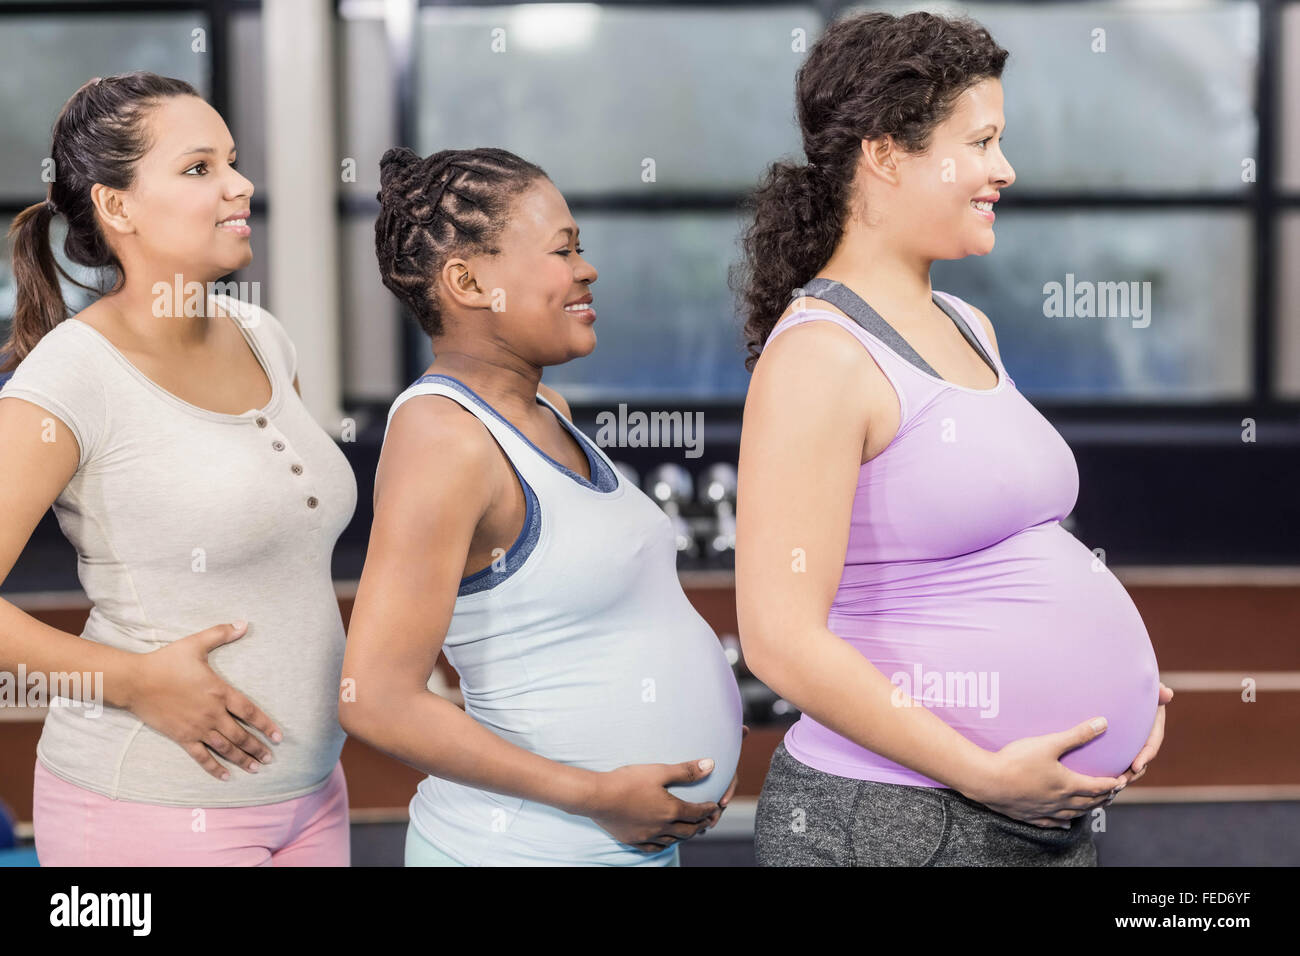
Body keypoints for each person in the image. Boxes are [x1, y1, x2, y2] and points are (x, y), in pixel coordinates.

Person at [732, 12, 1172, 866]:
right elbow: (780, 640)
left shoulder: (968, 323)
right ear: (887, 155)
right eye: (981, 143)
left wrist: (1118, 691)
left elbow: (1003, 551)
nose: (1003, 170)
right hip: (902, 822)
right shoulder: (819, 356)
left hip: (1028, 818)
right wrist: (984, 770)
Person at [340, 146, 745, 866]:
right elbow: (373, 696)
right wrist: (594, 794)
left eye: (581, 247)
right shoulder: (442, 438)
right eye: (562, 250)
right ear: (467, 281)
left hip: (627, 848)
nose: (586, 269)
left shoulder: (546, 410)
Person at [0, 72, 357, 865]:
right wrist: (130, 681)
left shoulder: (264, 334)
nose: (240, 185)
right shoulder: (71, 377)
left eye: (232, 160)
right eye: (200, 169)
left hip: (311, 798)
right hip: (146, 808)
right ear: (116, 205)